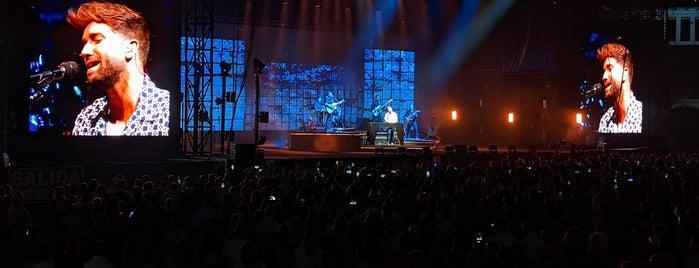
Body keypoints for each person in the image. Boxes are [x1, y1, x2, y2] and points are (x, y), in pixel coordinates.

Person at [68, 1, 170, 136]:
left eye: (97, 40)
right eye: (84, 43)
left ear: (130, 48)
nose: (84, 52)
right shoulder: (86, 119)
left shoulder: (167, 111)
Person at [596, 42, 642, 133]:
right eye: (604, 71)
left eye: (610, 68)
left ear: (624, 74)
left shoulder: (641, 114)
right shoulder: (605, 119)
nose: (604, 77)